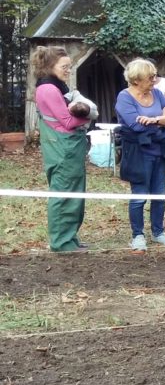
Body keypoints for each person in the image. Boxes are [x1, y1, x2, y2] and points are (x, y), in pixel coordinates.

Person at [115, 58, 165, 252]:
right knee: (139, 196)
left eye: (154, 75)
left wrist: (153, 119)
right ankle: (138, 235)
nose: (155, 80)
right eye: (150, 77)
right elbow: (134, 126)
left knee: (159, 195)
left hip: (160, 152)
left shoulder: (158, 93)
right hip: (138, 154)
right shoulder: (124, 97)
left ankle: (158, 232)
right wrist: (162, 121)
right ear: (136, 80)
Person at [33, 46, 93, 252]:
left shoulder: (58, 86)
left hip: (69, 148)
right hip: (63, 149)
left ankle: (70, 237)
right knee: (64, 193)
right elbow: (67, 121)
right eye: (64, 67)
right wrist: (89, 115)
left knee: (74, 193)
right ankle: (61, 242)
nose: (68, 70)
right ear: (50, 67)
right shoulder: (48, 89)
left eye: (69, 66)